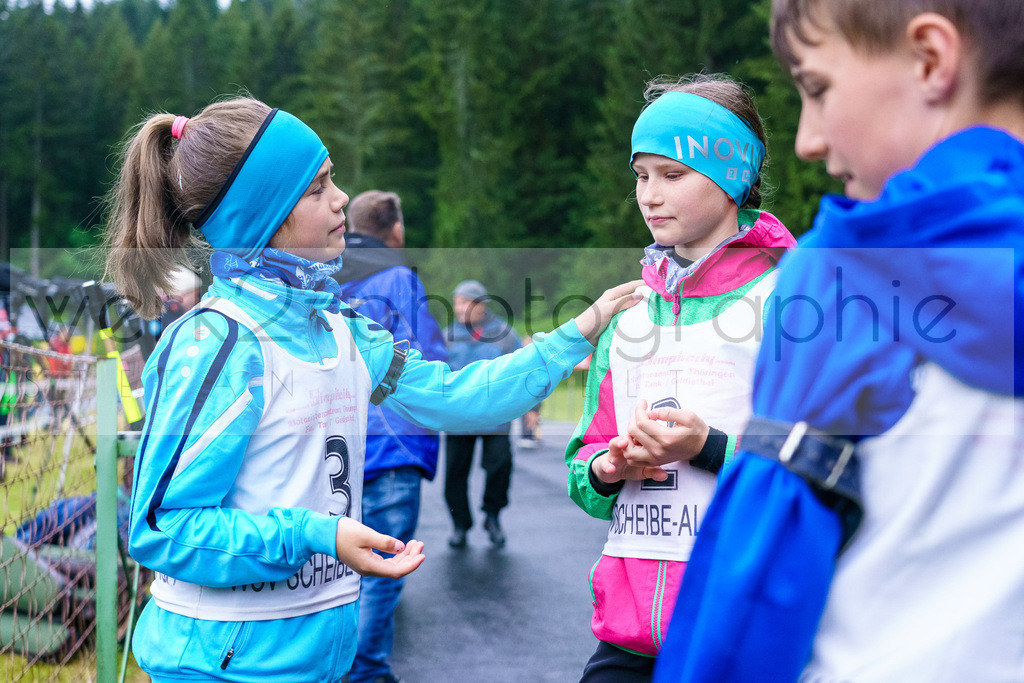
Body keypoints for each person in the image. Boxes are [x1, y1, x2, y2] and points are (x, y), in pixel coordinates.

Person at [101, 97, 642, 682]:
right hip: (220, 668)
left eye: (331, 178)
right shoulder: (217, 344)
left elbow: (462, 399)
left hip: (319, 663)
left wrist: (579, 330)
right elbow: (162, 528)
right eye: (317, 188)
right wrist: (318, 533)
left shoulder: (340, 327)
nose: (341, 200)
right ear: (264, 216)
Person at [652, 2, 1024, 682]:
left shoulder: (842, 276)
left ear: (931, 60)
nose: (807, 140)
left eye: (817, 89)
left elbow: (750, 595)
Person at [564, 73, 795, 682]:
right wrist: (606, 469)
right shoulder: (629, 316)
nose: (649, 195)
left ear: (732, 177)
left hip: (742, 631)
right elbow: (582, 463)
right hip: (629, 638)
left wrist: (708, 447)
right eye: (641, 175)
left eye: (673, 175)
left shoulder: (786, 302)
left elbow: (817, 466)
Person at [333, 190, 446, 683]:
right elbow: (429, 359)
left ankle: (339, 668)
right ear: (395, 230)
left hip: (334, 448)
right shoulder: (399, 278)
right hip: (392, 446)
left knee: (335, 571)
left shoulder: (320, 281)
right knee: (381, 572)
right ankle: (368, 672)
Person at [442, 279, 538, 549]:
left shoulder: (505, 334)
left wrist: (532, 409)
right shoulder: (446, 335)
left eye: (464, 302)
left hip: (496, 417)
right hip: (458, 419)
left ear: (481, 305)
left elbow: (524, 373)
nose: (459, 308)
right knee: (455, 474)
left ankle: (492, 516)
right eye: (456, 302)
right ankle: (460, 525)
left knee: (500, 466)